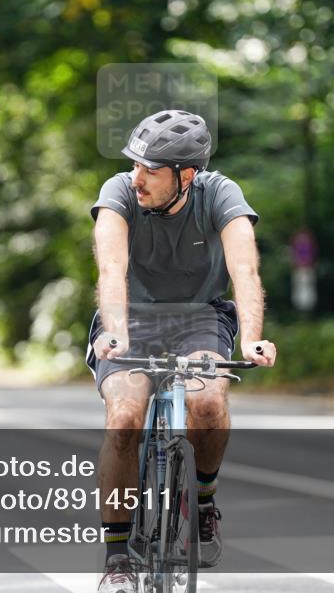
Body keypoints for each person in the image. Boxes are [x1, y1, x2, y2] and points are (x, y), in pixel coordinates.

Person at [88, 110, 277, 592]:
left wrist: (252, 336)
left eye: (150, 169)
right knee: (125, 418)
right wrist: (114, 331)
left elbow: (245, 270)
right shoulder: (118, 193)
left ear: (185, 175)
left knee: (209, 402)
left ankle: (205, 498)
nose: (137, 178)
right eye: (135, 165)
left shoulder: (219, 193)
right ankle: (117, 560)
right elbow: (111, 270)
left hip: (200, 318)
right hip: (130, 319)